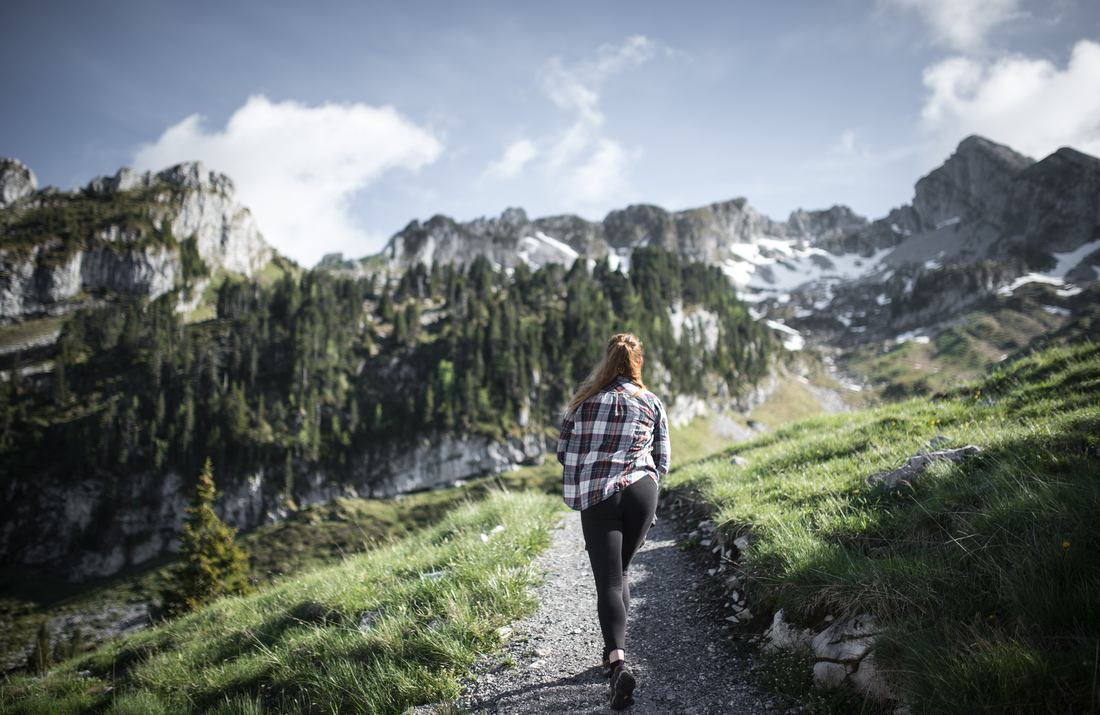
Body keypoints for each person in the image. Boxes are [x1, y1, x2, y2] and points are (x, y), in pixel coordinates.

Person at [556, 332, 670, 710]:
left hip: (599, 494)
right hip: (642, 492)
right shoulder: (651, 402)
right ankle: (613, 656)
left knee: (608, 579)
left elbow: (564, 452)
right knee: (622, 571)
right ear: (638, 362)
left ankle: (617, 662)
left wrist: (595, 460)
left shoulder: (583, 402)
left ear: (606, 360)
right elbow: (662, 459)